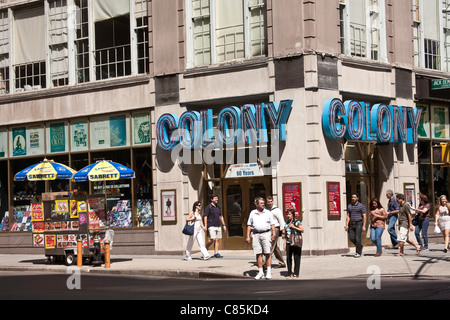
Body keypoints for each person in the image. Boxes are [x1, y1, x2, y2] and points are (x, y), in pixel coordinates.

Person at [246, 197, 276, 280]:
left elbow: (272, 224)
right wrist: (248, 236)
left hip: (266, 233)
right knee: (258, 253)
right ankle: (260, 272)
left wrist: (273, 234)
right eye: (261, 203)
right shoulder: (253, 213)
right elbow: (249, 225)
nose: (263, 204)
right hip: (256, 234)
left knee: (267, 253)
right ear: (256, 204)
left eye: (263, 203)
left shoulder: (268, 213)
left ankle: (268, 271)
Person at [265, 196, 286, 268]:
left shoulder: (277, 210)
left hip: (276, 228)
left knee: (270, 245)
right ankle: (282, 263)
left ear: (273, 201)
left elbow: (281, 220)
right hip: (268, 229)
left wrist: (283, 231)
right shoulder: (265, 210)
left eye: (271, 201)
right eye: (268, 202)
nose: (270, 203)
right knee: (275, 247)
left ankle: (265, 263)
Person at [282, 208, 303, 278]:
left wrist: (294, 227)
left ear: (293, 215)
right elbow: (284, 234)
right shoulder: (286, 223)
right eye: (287, 214)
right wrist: (284, 243)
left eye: (290, 214)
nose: (288, 215)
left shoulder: (297, 222)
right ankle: (289, 272)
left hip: (296, 242)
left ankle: (296, 273)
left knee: (296, 257)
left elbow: (302, 230)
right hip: (289, 242)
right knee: (288, 258)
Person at [345, 193, 366, 258]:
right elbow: (348, 216)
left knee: (358, 238)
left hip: (358, 223)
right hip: (352, 223)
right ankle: (360, 246)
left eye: (354, 197)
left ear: (357, 198)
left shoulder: (361, 206)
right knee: (351, 238)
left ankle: (358, 252)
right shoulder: (349, 206)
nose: (353, 198)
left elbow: (364, 216)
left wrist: (364, 226)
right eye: (352, 197)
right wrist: (347, 225)